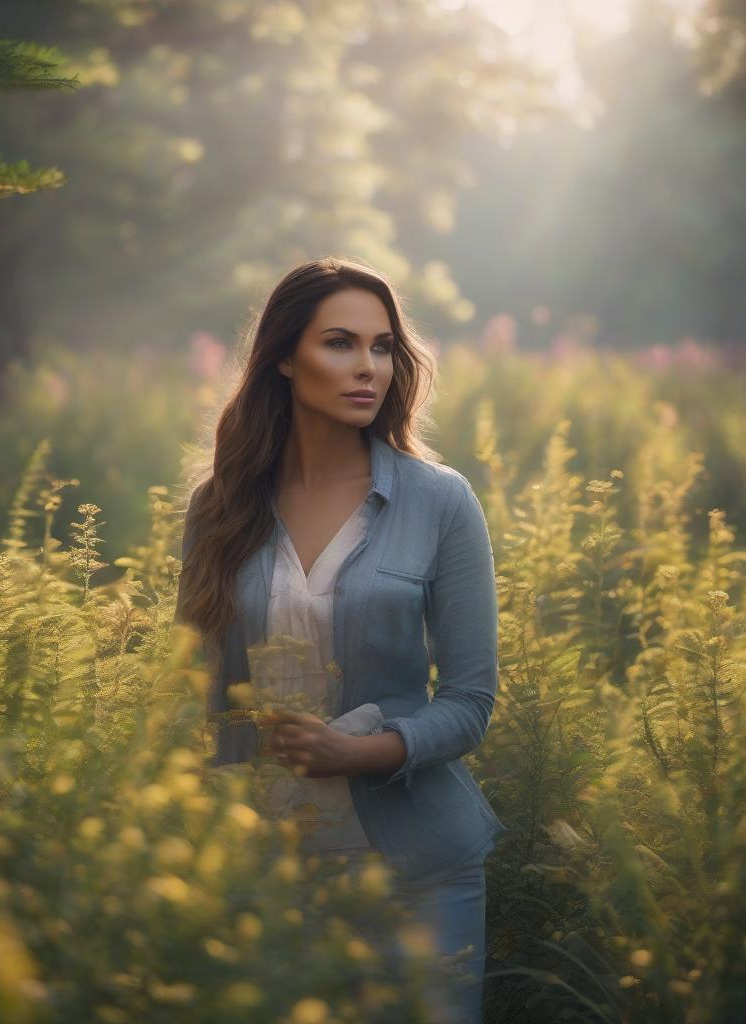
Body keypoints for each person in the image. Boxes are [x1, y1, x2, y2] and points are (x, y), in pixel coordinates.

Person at [174, 256, 509, 1023]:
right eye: (340, 344)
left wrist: (360, 752)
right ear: (284, 359)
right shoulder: (219, 507)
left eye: (383, 347)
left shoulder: (440, 501)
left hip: (418, 872)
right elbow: (193, 697)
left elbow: (469, 702)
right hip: (263, 871)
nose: (368, 368)